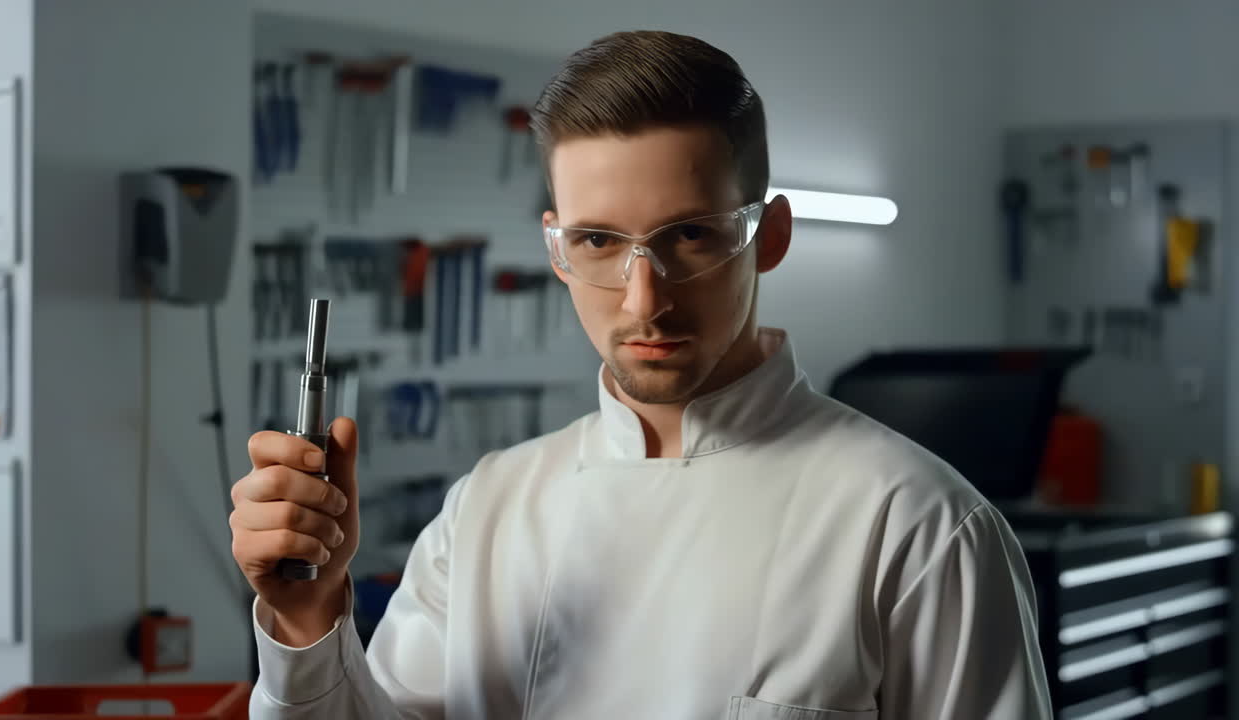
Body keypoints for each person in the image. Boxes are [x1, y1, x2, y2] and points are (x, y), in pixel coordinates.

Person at [231, 30, 1052, 719]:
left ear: (768, 237)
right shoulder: (487, 509)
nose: (643, 297)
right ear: (556, 247)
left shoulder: (919, 528)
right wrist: (306, 621)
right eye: (597, 242)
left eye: (689, 236)